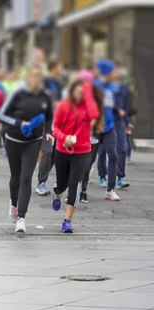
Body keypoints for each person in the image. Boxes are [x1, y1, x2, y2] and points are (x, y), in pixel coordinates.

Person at [0, 65, 54, 234]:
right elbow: (1, 115)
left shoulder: (45, 96)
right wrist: (19, 123)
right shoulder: (18, 93)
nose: (36, 80)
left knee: (26, 177)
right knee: (16, 176)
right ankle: (13, 203)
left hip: (33, 140)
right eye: (33, 76)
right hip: (14, 139)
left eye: (39, 76)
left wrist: (49, 133)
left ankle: (21, 218)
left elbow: (49, 116)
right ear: (28, 78)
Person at [51, 80, 101, 233]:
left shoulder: (88, 106)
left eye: (83, 93)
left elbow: (95, 114)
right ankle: (58, 192)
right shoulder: (63, 106)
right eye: (77, 92)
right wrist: (63, 138)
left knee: (74, 183)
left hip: (83, 151)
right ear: (72, 92)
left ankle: (67, 221)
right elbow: (55, 128)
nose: (80, 95)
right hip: (62, 150)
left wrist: (88, 91)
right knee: (62, 183)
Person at [36, 59, 65, 196]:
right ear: (53, 68)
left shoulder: (60, 83)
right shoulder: (45, 82)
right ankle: (41, 182)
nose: (62, 69)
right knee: (47, 151)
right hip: (45, 122)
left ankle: (43, 176)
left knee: (54, 154)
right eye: (60, 67)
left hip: (58, 122)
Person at [93, 59, 120, 201]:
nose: (114, 73)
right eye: (112, 70)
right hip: (95, 127)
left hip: (109, 127)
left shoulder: (112, 87)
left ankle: (110, 189)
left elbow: (112, 106)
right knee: (88, 159)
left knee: (113, 155)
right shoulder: (94, 86)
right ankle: (80, 189)